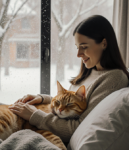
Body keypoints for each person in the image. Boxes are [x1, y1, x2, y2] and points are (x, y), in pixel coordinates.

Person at [8, 15, 129, 144]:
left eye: (84, 47)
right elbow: (70, 104)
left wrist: (35, 116)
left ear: (104, 43)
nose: (78, 54)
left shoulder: (114, 78)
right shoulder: (90, 71)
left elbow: (77, 127)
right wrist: (43, 99)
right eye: (77, 47)